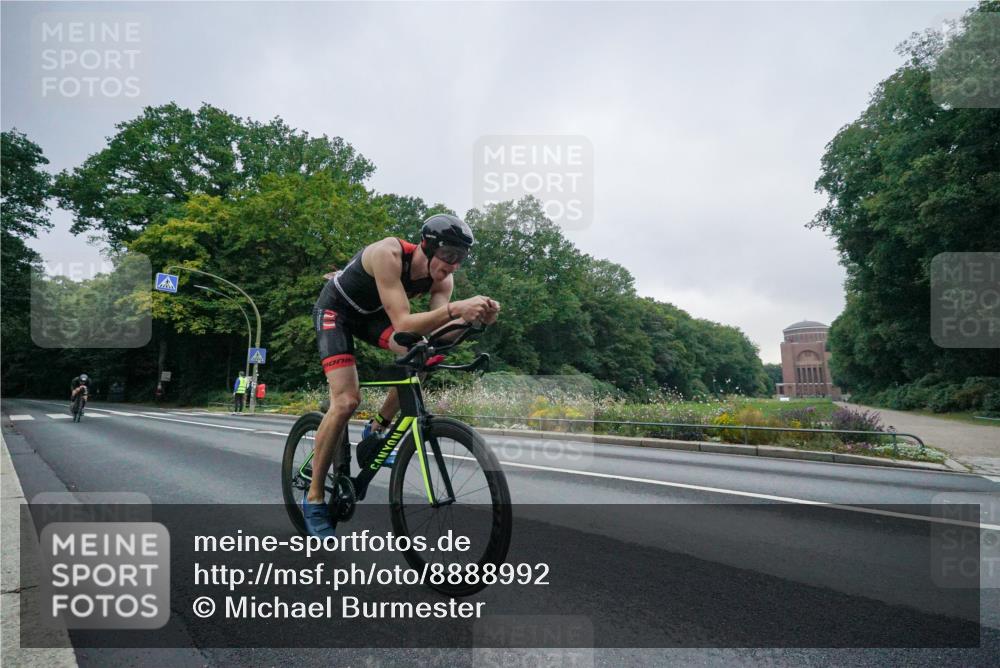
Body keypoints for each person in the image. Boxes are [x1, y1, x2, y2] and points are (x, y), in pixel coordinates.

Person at [305, 214, 500, 537]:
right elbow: (405, 324)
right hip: (336, 312)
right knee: (346, 400)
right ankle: (313, 497)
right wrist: (456, 310)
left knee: (423, 354)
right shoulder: (388, 254)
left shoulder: (443, 280)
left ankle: (376, 428)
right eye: (449, 256)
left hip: (372, 317)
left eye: (460, 259)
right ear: (427, 246)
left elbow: (440, 333)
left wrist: (474, 320)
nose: (453, 266)